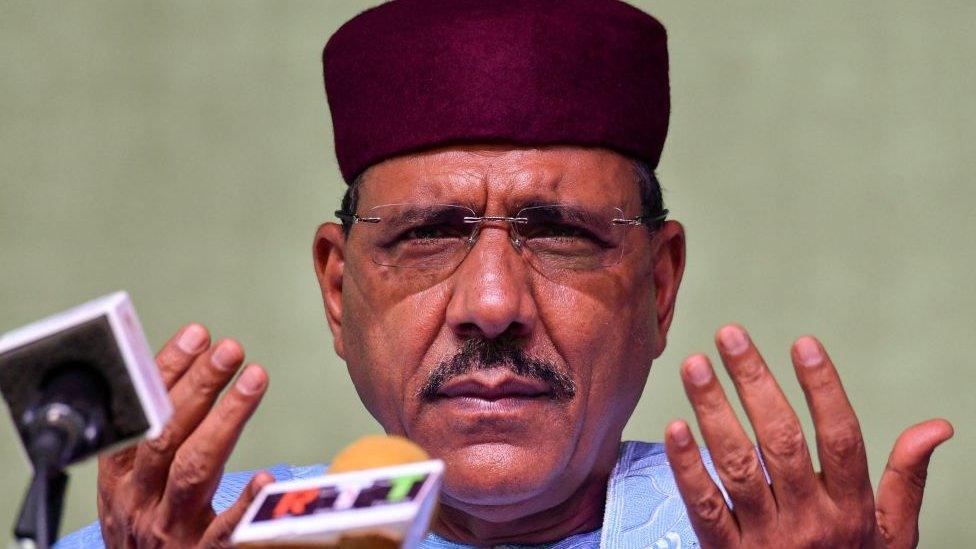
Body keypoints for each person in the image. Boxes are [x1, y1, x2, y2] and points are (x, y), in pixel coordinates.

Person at [59, 0, 953, 547]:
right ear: (339, 291)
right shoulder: (188, 538)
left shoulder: (797, 541)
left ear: (658, 286)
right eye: (427, 235)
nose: (492, 304)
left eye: (559, 232)